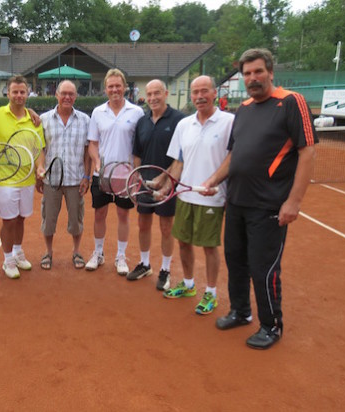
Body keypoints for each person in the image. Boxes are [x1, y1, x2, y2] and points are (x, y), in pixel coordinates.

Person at [203, 49, 317, 349]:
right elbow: (234, 155)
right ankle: (240, 311)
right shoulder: (244, 108)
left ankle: (271, 325)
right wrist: (213, 181)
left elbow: (307, 153)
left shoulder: (291, 102)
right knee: (236, 261)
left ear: (270, 72)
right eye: (247, 73)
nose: (252, 78)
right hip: (237, 202)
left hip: (268, 205)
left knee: (262, 267)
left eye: (258, 71)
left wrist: (293, 202)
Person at [157, 76, 234, 316]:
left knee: (210, 246)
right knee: (183, 242)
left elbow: (233, 158)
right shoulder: (184, 125)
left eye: (204, 91)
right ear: (191, 96)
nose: (199, 96)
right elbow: (178, 161)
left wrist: (214, 182)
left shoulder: (229, 122)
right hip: (185, 195)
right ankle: (189, 285)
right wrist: (167, 187)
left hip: (212, 197)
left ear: (214, 93)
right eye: (195, 92)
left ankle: (210, 292)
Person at [126, 79, 184, 291]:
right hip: (145, 182)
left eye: (156, 93)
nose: (152, 98)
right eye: (149, 94)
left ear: (166, 93)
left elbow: (181, 157)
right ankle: (145, 264)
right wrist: (140, 177)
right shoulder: (142, 121)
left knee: (166, 227)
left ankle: (165, 269)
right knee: (143, 224)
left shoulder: (179, 120)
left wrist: (166, 180)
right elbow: (137, 154)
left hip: (169, 183)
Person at [85, 68, 144, 275]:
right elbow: (92, 143)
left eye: (118, 85)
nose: (115, 89)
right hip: (101, 175)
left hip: (126, 176)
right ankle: (98, 253)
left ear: (125, 87)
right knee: (99, 214)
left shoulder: (136, 112)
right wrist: (97, 162)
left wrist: (136, 171)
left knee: (123, 215)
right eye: (111, 86)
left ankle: (120, 256)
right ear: (106, 89)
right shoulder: (98, 112)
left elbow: (141, 144)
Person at [0, 75, 45, 279]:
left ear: (27, 93)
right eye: (15, 92)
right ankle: (8, 259)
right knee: (9, 221)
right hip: (5, 179)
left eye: (22, 92)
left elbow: (38, 149)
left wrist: (40, 168)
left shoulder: (34, 120)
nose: (19, 95)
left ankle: (18, 252)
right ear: (8, 93)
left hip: (27, 179)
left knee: (21, 218)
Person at [36, 80, 91, 270]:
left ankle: (76, 251)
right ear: (57, 95)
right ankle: (48, 252)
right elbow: (41, 149)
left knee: (76, 220)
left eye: (71, 94)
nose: (67, 97)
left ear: (75, 97)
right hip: (52, 180)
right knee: (49, 219)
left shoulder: (85, 120)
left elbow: (87, 152)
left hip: (76, 180)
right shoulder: (43, 119)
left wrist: (87, 177)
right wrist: (40, 172)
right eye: (64, 93)